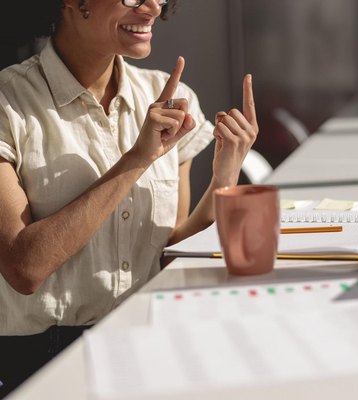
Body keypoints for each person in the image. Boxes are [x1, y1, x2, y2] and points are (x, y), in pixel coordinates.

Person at [0, 0, 258, 396]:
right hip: (46, 362)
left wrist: (224, 177)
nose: (153, 7)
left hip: (153, 341)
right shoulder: (9, 103)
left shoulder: (168, 95)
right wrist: (138, 159)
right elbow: (24, 268)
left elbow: (172, 252)